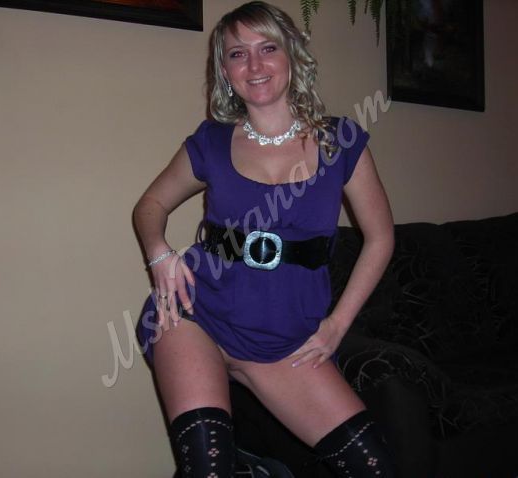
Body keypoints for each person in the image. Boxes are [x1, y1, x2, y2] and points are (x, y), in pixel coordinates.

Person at [133, 2, 395, 476]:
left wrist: (337, 325)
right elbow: (150, 205)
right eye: (237, 54)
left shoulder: (341, 141)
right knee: (208, 467)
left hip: (286, 339)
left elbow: (380, 239)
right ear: (224, 70)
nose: (254, 65)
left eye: (267, 48)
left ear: (292, 55)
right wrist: (159, 253)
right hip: (194, 316)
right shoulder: (211, 142)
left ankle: (254, 467)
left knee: (374, 467)